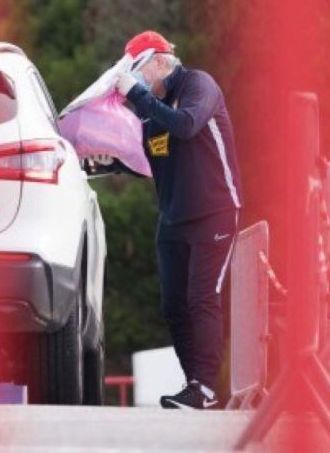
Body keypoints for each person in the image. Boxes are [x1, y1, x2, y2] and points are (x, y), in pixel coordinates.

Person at [114, 30, 243, 410]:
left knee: (203, 298)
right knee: (173, 304)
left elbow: (186, 124)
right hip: (174, 215)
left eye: (139, 71)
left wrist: (136, 96)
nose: (137, 81)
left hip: (215, 210)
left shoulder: (197, 84)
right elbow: (148, 156)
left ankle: (204, 386)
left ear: (158, 61)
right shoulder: (152, 106)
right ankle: (195, 386)